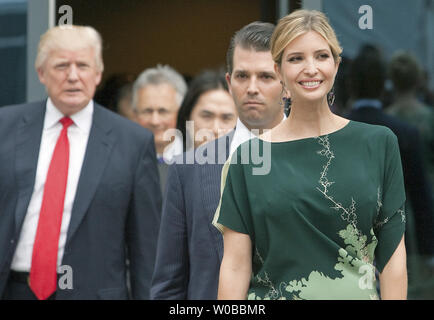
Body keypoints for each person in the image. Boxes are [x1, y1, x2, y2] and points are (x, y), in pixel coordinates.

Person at [214, 10, 407, 300]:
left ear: (336, 64)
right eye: (296, 59)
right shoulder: (248, 158)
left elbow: (393, 259)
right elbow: (235, 267)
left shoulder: (379, 143)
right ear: (278, 71)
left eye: (321, 56)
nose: (311, 68)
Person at [0, 25, 162, 300]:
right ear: (41, 73)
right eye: (62, 65)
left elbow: (146, 249)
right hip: (14, 289)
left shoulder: (133, 142)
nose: (73, 76)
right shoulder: (5, 127)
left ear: (98, 74)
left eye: (83, 66)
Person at [151, 21, 285, 299]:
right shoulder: (187, 169)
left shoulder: (323, 157)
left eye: (265, 76)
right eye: (242, 76)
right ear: (229, 82)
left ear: (287, 83)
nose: (252, 88)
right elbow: (169, 285)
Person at [346, 46, 434, 257]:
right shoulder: (405, 132)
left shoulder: (331, 131)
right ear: (383, 85)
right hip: (395, 239)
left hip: (345, 244)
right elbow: (420, 196)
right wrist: (428, 253)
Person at [133, 65, 187, 163]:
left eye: (163, 111)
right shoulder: (120, 158)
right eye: (147, 111)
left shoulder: (197, 157)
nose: (155, 121)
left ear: (180, 113)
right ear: (135, 115)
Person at [176, 69, 237, 151]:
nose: (215, 129)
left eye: (226, 118)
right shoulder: (171, 161)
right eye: (207, 117)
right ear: (187, 118)